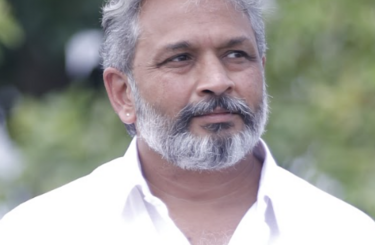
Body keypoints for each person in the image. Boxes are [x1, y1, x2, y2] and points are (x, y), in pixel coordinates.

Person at [0, 0, 374, 244]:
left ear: (261, 70)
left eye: (235, 54)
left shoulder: (344, 233)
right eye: (180, 58)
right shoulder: (41, 232)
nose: (216, 80)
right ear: (123, 94)